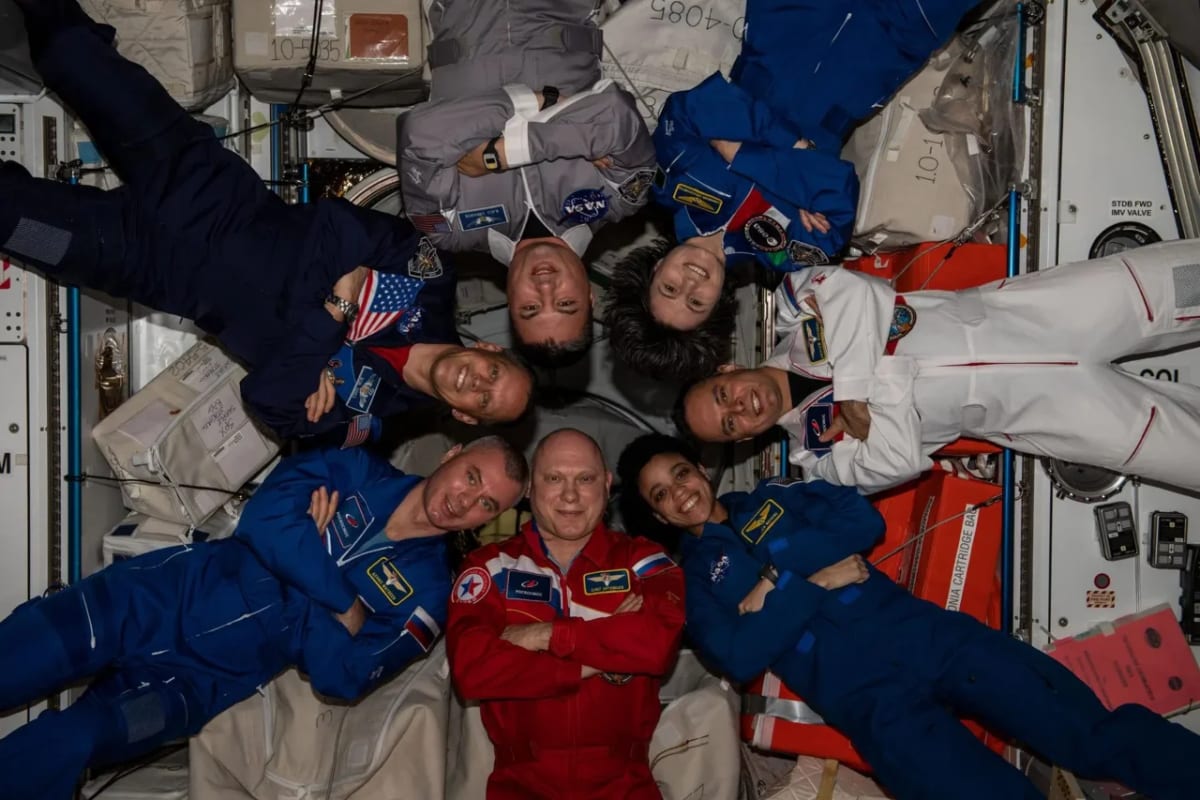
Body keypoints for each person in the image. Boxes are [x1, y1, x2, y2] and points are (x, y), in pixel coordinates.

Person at [0, 0, 533, 448]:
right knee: (70, 54)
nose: (475, 384)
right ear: (488, 351)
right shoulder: (429, 278)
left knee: (12, 220)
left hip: (147, 267)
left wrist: (338, 311)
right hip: (198, 184)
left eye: (483, 402)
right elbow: (332, 226)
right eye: (492, 374)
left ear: (466, 419)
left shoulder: (365, 419)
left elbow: (269, 403)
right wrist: (310, 354)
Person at [616, 433, 1200, 800]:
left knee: (1088, 734)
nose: (680, 493)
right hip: (870, 704)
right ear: (658, 516)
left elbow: (859, 524)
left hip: (928, 638)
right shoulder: (691, 583)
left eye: (680, 475)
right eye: (661, 495)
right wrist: (812, 579)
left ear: (700, 469)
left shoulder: (780, 495)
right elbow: (738, 654)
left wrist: (773, 581)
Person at [0, 436, 528, 800]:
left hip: (193, 685)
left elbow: (342, 676)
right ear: (453, 454)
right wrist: (344, 605)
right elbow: (265, 520)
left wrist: (310, 562)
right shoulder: (355, 469)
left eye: (486, 504)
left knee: (70, 743)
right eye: (471, 477)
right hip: (145, 600)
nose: (466, 501)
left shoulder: (429, 599)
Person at [606, 0, 987, 380]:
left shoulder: (669, 185)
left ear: (655, 269)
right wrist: (743, 149)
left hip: (787, 20)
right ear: (717, 306)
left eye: (670, 287)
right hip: (884, 50)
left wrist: (793, 162)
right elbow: (837, 185)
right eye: (695, 302)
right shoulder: (790, 253)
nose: (690, 281)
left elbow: (697, 105)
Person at [676, 239, 1200, 495]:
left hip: (1051, 314)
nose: (741, 407)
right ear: (743, 439)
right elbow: (901, 460)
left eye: (725, 397)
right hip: (1055, 412)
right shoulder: (819, 461)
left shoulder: (791, 308)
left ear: (724, 371)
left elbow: (854, 288)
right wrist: (876, 364)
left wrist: (860, 396)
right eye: (730, 425)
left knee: (1186, 283)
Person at [398, 0, 657, 369]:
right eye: (566, 303)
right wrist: (497, 153)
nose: (546, 287)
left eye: (531, 307)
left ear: (511, 304)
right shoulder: (620, 197)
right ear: (589, 295)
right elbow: (614, 114)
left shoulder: (448, 229)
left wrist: (563, 121)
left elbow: (421, 134)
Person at [446, 428, 685, 799]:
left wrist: (541, 636)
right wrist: (601, 653)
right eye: (554, 478)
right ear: (529, 488)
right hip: (520, 786)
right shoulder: (489, 566)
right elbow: (473, 669)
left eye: (585, 479)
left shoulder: (642, 560)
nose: (570, 495)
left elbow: (656, 644)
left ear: (606, 485)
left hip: (625, 786)